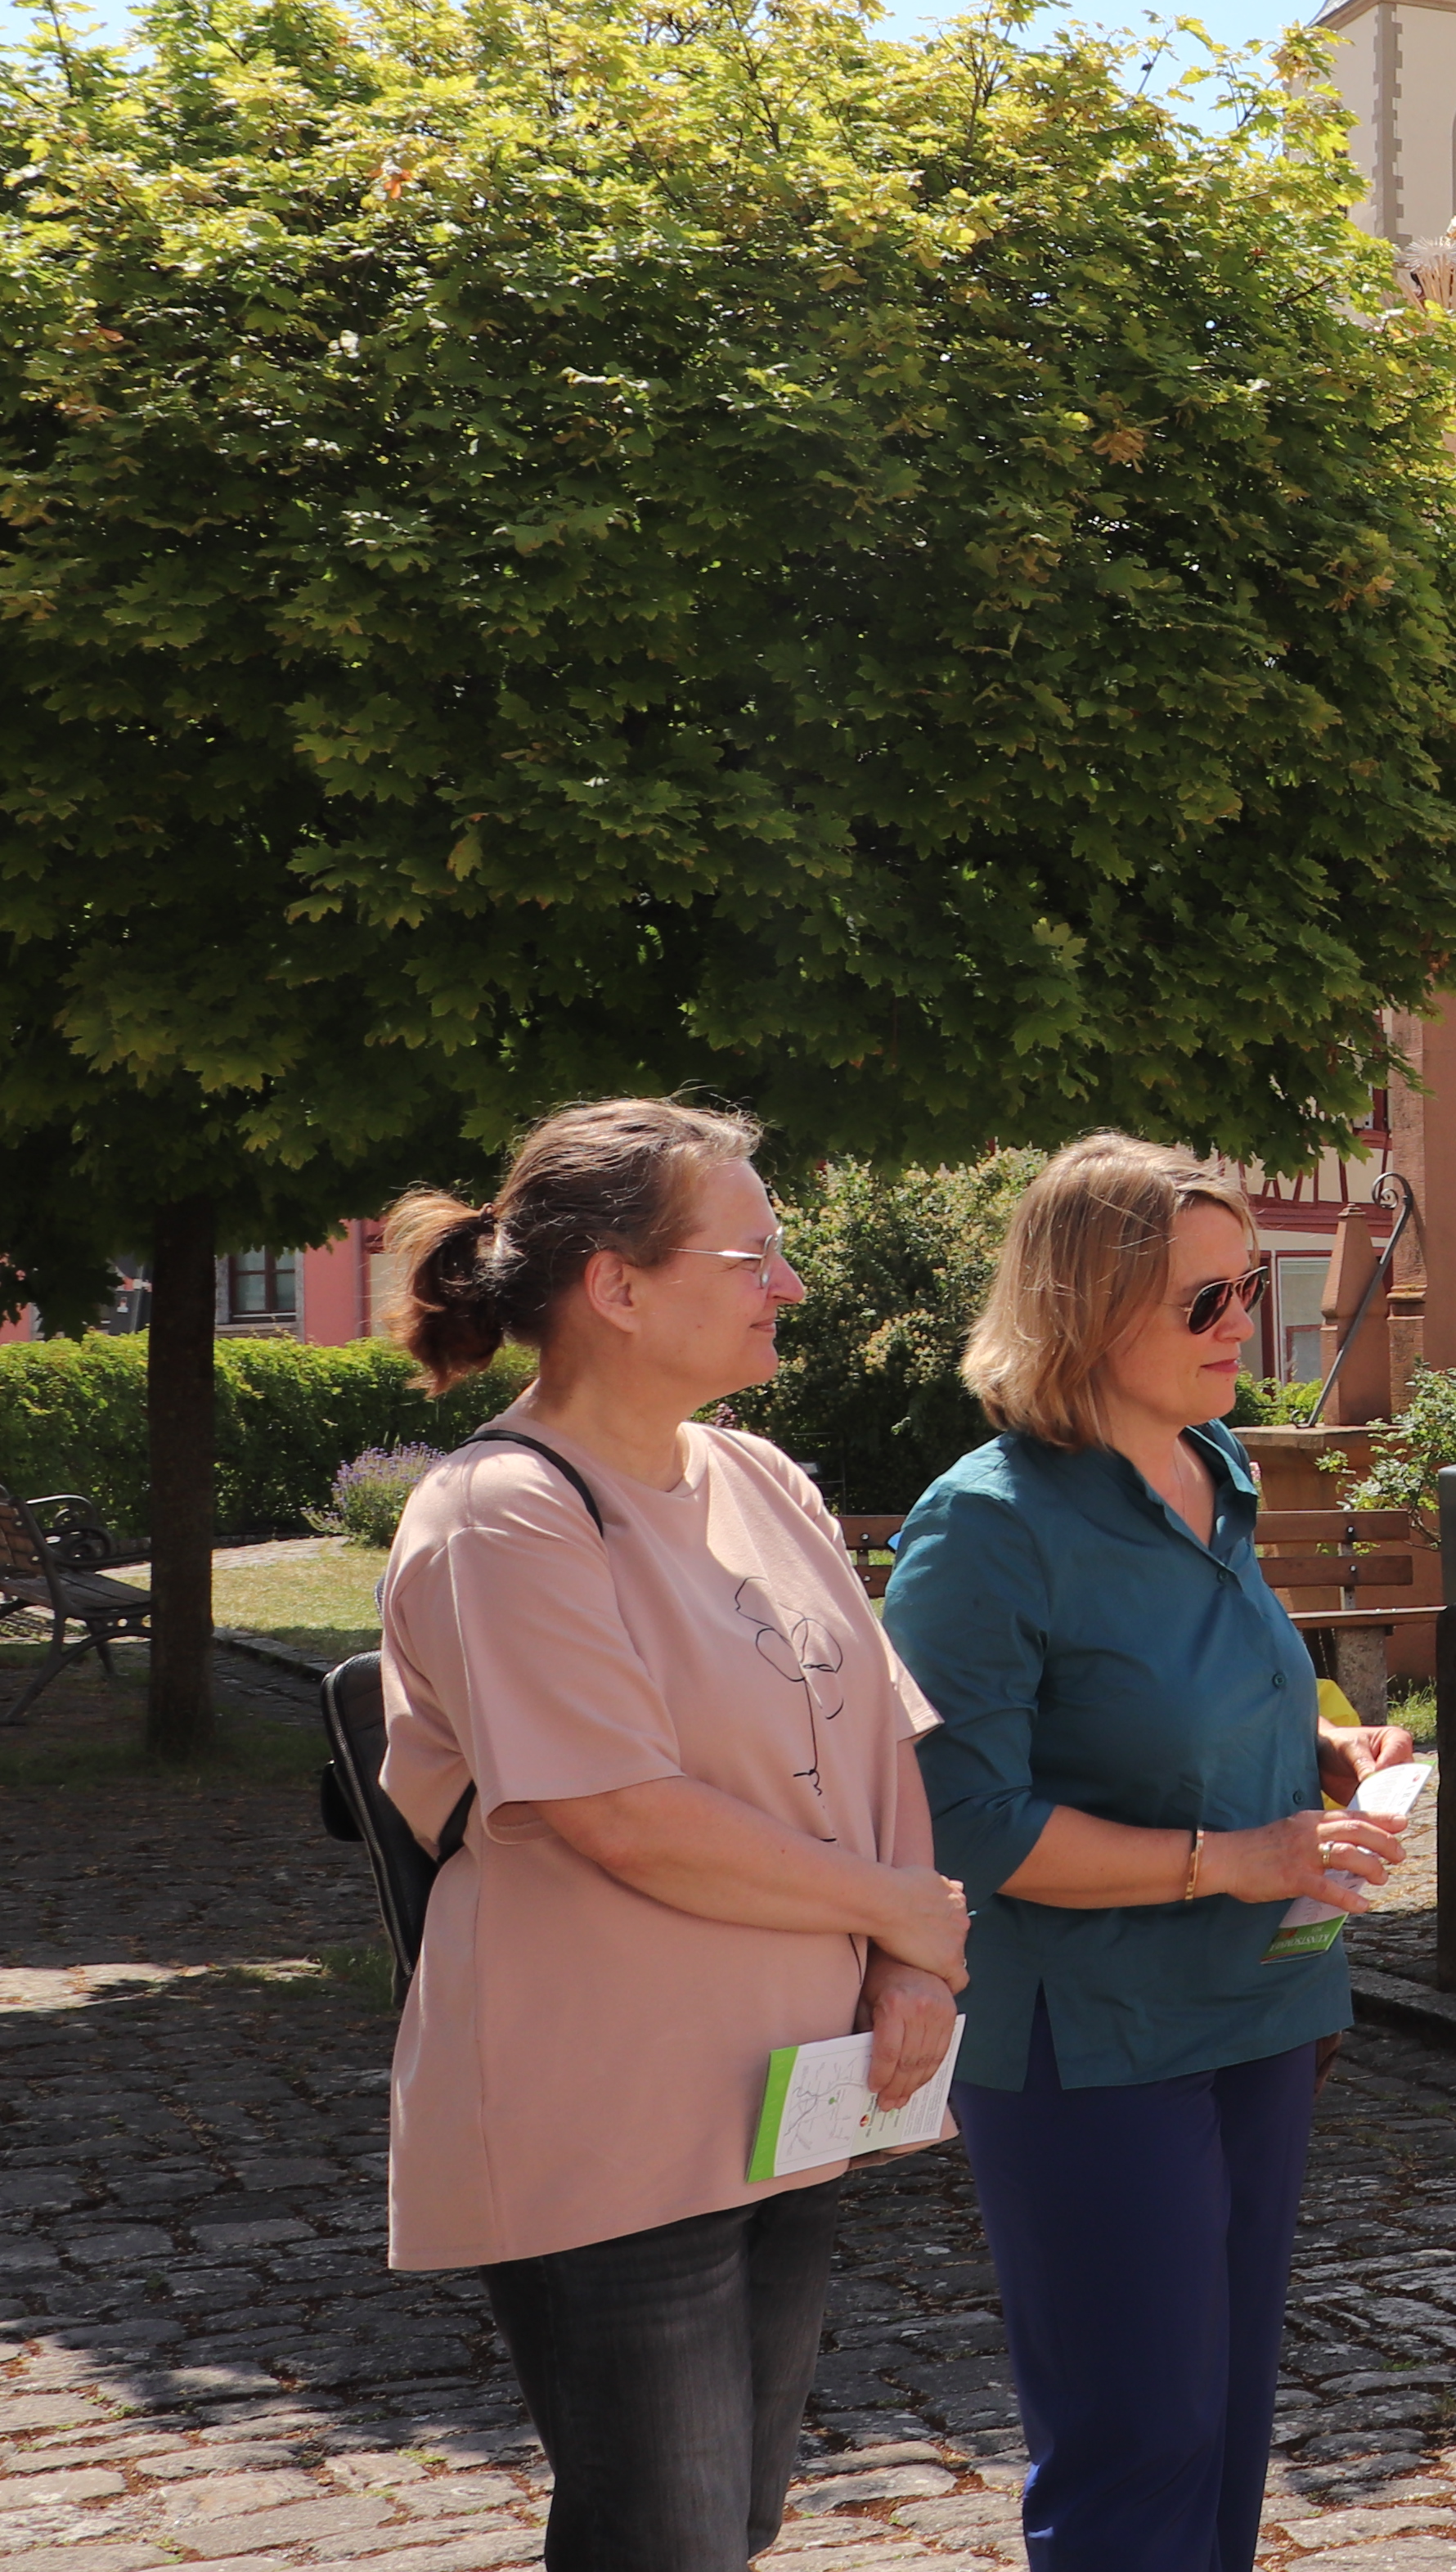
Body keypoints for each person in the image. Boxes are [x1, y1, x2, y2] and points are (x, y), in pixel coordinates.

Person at [370, 1099, 972, 2572]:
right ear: (618, 1289)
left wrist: (910, 1964)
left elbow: (875, 1740)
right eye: (752, 1255)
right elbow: (622, 1818)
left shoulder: (762, 1477)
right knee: (668, 2537)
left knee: (735, 2518)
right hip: (611, 2110)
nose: (793, 1285)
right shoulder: (502, 1515)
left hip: (792, 2095)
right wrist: (902, 1911)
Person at [882, 1136, 1415, 2572]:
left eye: (1248, 1285)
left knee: (1232, 2419)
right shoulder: (985, 1528)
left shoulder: (1212, 1463)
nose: (1243, 1320)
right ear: (1080, 1307)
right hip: (1086, 2041)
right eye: (1202, 1300)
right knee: (1139, 2430)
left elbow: (1209, 1681)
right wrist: (1236, 1858)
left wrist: (1324, 1751)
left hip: (1260, 2005)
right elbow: (966, 1827)